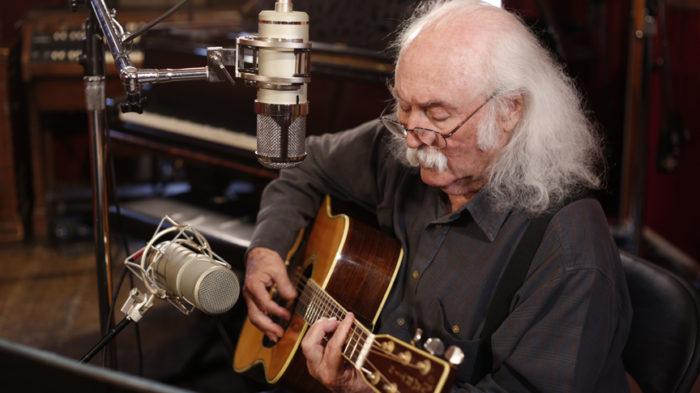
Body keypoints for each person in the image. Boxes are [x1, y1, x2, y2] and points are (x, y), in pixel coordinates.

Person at [242, 0, 632, 391]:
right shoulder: (406, 143)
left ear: (511, 110)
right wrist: (267, 248)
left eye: (438, 115)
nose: (412, 137)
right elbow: (303, 166)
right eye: (404, 105)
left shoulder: (568, 254)